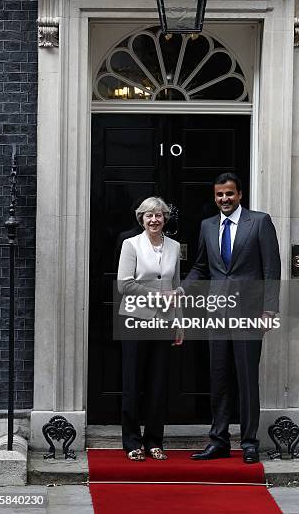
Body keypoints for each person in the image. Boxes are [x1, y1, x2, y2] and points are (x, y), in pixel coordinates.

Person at [184, 172, 281, 464]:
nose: (224, 199)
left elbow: (271, 270)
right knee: (220, 378)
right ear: (215, 197)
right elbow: (201, 267)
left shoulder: (260, 222)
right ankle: (219, 441)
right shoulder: (207, 226)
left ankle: (249, 443)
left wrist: (269, 310)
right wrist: (181, 289)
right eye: (219, 195)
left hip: (250, 314)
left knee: (247, 379)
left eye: (229, 194)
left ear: (239, 195)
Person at [117, 197, 183, 462]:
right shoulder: (131, 244)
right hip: (135, 319)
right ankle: (132, 442)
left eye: (159, 215)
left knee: (159, 383)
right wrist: (158, 297)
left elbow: (176, 285)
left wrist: (179, 323)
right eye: (149, 216)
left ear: (165, 219)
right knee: (132, 382)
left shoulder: (175, 246)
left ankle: (155, 440)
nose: (154, 220)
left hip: (165, 321)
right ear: (141, 219)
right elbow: (125, 285)